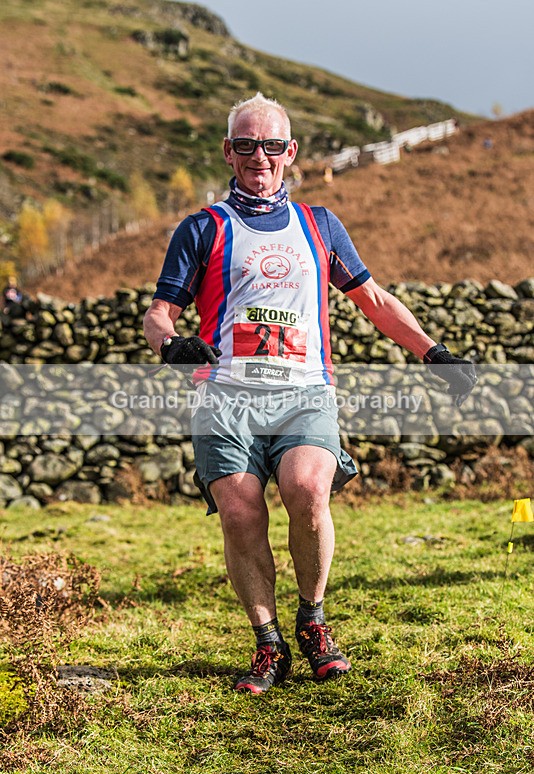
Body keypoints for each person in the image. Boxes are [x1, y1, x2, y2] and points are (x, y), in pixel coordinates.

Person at [143, 93, 476, 694]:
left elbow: (373, 301)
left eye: (272, 146)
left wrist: (435, 353)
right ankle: (267, 642)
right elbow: (159, 313)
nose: (259, 157)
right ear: (228, 151)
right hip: (226, 399)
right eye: (246, 145)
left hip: (304, 392)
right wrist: (171, 345)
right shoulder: (202, 228)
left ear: (291, 153)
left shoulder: (319, 225)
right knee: (242, 514)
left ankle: (313, 620)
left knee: (306, 488)